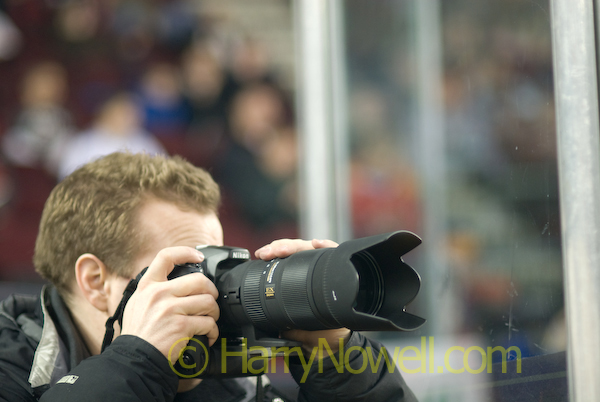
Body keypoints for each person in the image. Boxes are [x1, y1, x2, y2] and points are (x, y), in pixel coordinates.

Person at [0, 152, 417, 401]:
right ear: (94, 281)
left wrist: (337, 362)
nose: (215, 293)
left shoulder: (231, 384)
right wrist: (137, 363)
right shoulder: (11, 366)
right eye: (192, 268)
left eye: (221, 266)